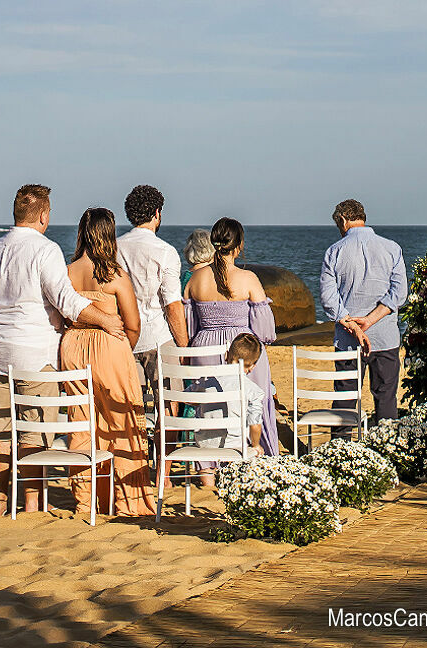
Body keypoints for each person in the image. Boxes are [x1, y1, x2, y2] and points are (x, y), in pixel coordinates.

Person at [0, 184, 124, 514]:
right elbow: (67, 301)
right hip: (35, 355)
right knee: (35, 431)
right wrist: (105, 321)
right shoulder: (45, 250)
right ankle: (31, 505)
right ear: (44, 215)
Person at [59, 207, 156, 518]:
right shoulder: (114, 275)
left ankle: (86, 501)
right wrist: (120, 349)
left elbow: (62, 313)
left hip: (73, 346)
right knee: (122, 422)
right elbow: (134, 325)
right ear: (109, 234)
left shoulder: (68, 271)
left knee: (81, 423)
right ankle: (128, 501)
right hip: (110, 349)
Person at [185, 218, 279, 454]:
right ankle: (260, 454)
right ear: (239, 246)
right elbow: (265, 332)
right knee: (256, 403)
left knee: (209, 411)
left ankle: (207, 468)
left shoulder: (195, 280)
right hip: (242, 351)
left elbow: (188, 327)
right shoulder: (248, 279)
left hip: (204, 350)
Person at [319, 199, 409, 423]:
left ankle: (340, 449)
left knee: (345, 398)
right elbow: (399, 293)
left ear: (342, 220)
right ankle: (387, 448)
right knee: (386, 397)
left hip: (348, 340)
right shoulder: (392, 248)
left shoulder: (334, 252)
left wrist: (352, 325)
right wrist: (370, 320)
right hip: (385, 337)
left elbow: (329, 299)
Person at [117, 185, 188, 397]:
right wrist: (183, 347)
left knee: (130, 409)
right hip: (158, 336)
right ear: (157, 213)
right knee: (169, 408)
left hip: (125, 338)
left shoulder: (114, 247)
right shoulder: (165, 252)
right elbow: (172, 305)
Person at [196, 333, 268, 457]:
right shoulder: (252, 390)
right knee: (253, 451)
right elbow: (255, 424)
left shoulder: (207, 381)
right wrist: (256, 444)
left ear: (226, 355)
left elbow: (188, 399)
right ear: (252, 366)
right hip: (236, 445)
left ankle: (207, 475)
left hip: (205, 443)